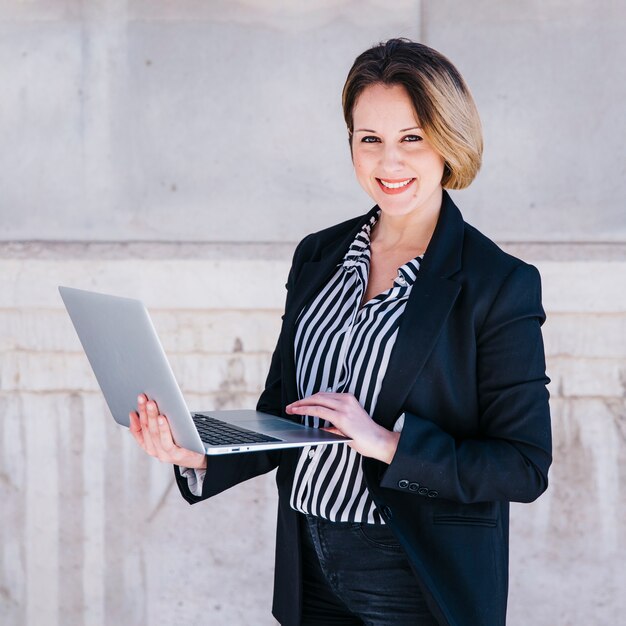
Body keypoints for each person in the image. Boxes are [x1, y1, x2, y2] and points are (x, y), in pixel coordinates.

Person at [128, 38, 552, 626]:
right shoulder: (318, 256)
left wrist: (386, 443)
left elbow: (523, 465)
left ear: (448, 141)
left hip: (417, 576)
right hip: (309, 565)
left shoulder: (497, 283)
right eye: (369, 139)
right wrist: (197, 453)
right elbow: (283, 412)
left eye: (412, 138)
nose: (389, 162)